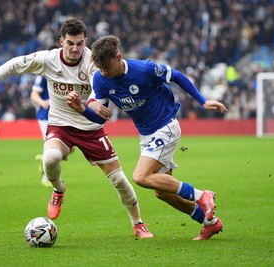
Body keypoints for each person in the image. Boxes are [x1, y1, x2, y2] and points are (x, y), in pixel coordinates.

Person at [0, 19, 153, 238]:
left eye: (79, 43)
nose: (75, 48)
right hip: (60, 125)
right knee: (49, 158)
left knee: (118, 179)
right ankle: (59, 190)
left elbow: (96, 87)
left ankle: (138, 223)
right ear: (61, 41)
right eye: (70, 43)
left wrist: (92, 102)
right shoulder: (48, 59)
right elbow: (14, 64)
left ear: (85, 42)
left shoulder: (91, 61)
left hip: (90, 129)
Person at [66, 35, 228, 240]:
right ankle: (210, 223)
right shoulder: (100, 78)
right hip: (147, 135)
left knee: (140, 177)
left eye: (106, 67)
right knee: (162, 192)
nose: (103, 72)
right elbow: (99, 120)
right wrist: (81, 108)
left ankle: (201, 195)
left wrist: (202, 101)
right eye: (100, 68)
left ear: (118, 57)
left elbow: (176, 75)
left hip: (166, 126)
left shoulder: (144, 69)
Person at [30, 75, 51, 187]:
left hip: (63, 115)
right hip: (46, 116)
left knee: (70, 148)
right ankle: (46, 178)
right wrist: (43, 103)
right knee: (52, 146)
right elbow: (33, 94)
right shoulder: (44, 74)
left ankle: (44, 159)